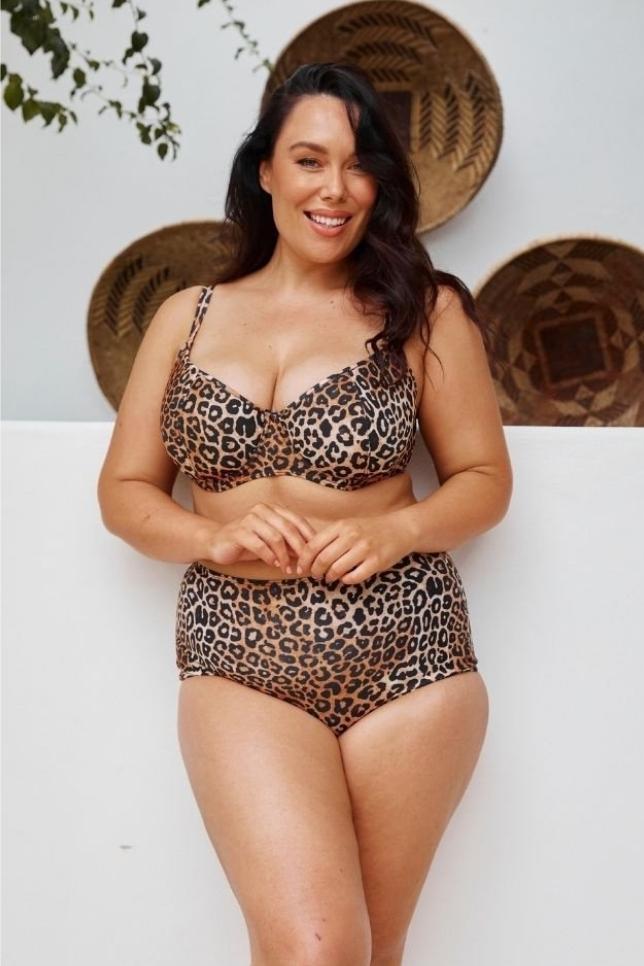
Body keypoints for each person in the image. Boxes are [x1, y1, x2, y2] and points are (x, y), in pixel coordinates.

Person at [98, 62, 512, 966]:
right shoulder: (187, 318)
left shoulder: (425, 312)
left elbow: (485, 478)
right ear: (265, 171)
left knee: (373, 953)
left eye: (359, 165)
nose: (334, 188)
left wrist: (396, 529)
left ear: (380, 185)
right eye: (310, 159)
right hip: (239, 656)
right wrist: (211, 536)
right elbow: (124, 492)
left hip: (409, 660)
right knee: (314, 946)